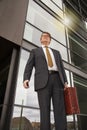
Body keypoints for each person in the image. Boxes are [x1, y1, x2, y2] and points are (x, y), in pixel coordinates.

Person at [23, 32, 68, 130]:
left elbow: (61, 67)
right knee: (44, 110)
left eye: (48, 37)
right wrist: (26, 78)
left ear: (50, 40)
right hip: (42, 82)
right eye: (44, 36)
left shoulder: (57, 52)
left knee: (60, 109)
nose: (46, 37)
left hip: (57, 81)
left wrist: (65, 81)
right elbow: (29, 66)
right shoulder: (35, 51)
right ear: (40, 39)